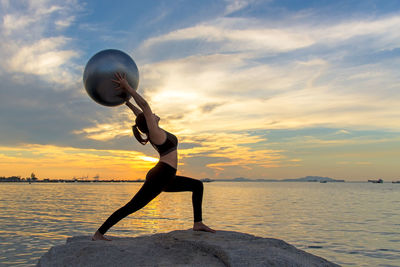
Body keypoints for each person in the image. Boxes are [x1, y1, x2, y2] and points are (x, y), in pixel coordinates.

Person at [92, 73, 216, 241]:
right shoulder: (155, 133)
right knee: (131, 207)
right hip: (161, 175)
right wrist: (128, 87)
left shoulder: (153, 131)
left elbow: (140, 114)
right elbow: (144, 106)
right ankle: (99, 234)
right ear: (149, 121)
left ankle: (198, 223)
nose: (154, 113)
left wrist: (126, 101)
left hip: (166, 176)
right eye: (151, 115)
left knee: (197, 186)